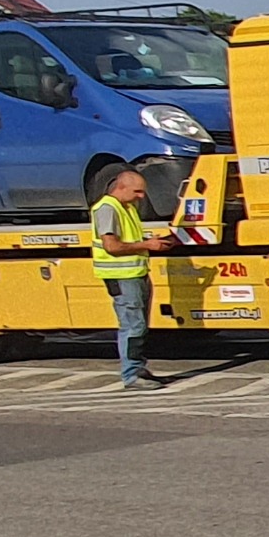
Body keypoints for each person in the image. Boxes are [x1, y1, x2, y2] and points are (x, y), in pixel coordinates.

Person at [90, 167, 177, 390]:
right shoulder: (108, 208)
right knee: (132, 326)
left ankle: (138, 369)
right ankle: (131, 375)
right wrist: (148, 245)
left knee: (138, 325)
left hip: (135, 274)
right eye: (137, 192)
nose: (141, 197)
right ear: (121, 187)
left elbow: (129, 239)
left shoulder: (125, 207)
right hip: (121, 276)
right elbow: (112, 246)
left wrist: (153, 241)